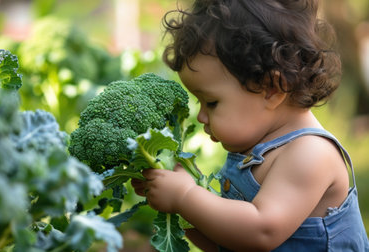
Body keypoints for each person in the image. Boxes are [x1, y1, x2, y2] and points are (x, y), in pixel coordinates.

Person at [131, 0, 369, 251]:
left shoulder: (311, 154)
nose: (201, 116)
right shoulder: (255, 152)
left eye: (211, 102)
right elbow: (231, 243)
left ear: (272, 90)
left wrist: (185, 197)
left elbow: (261, 231)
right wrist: (182, 211)